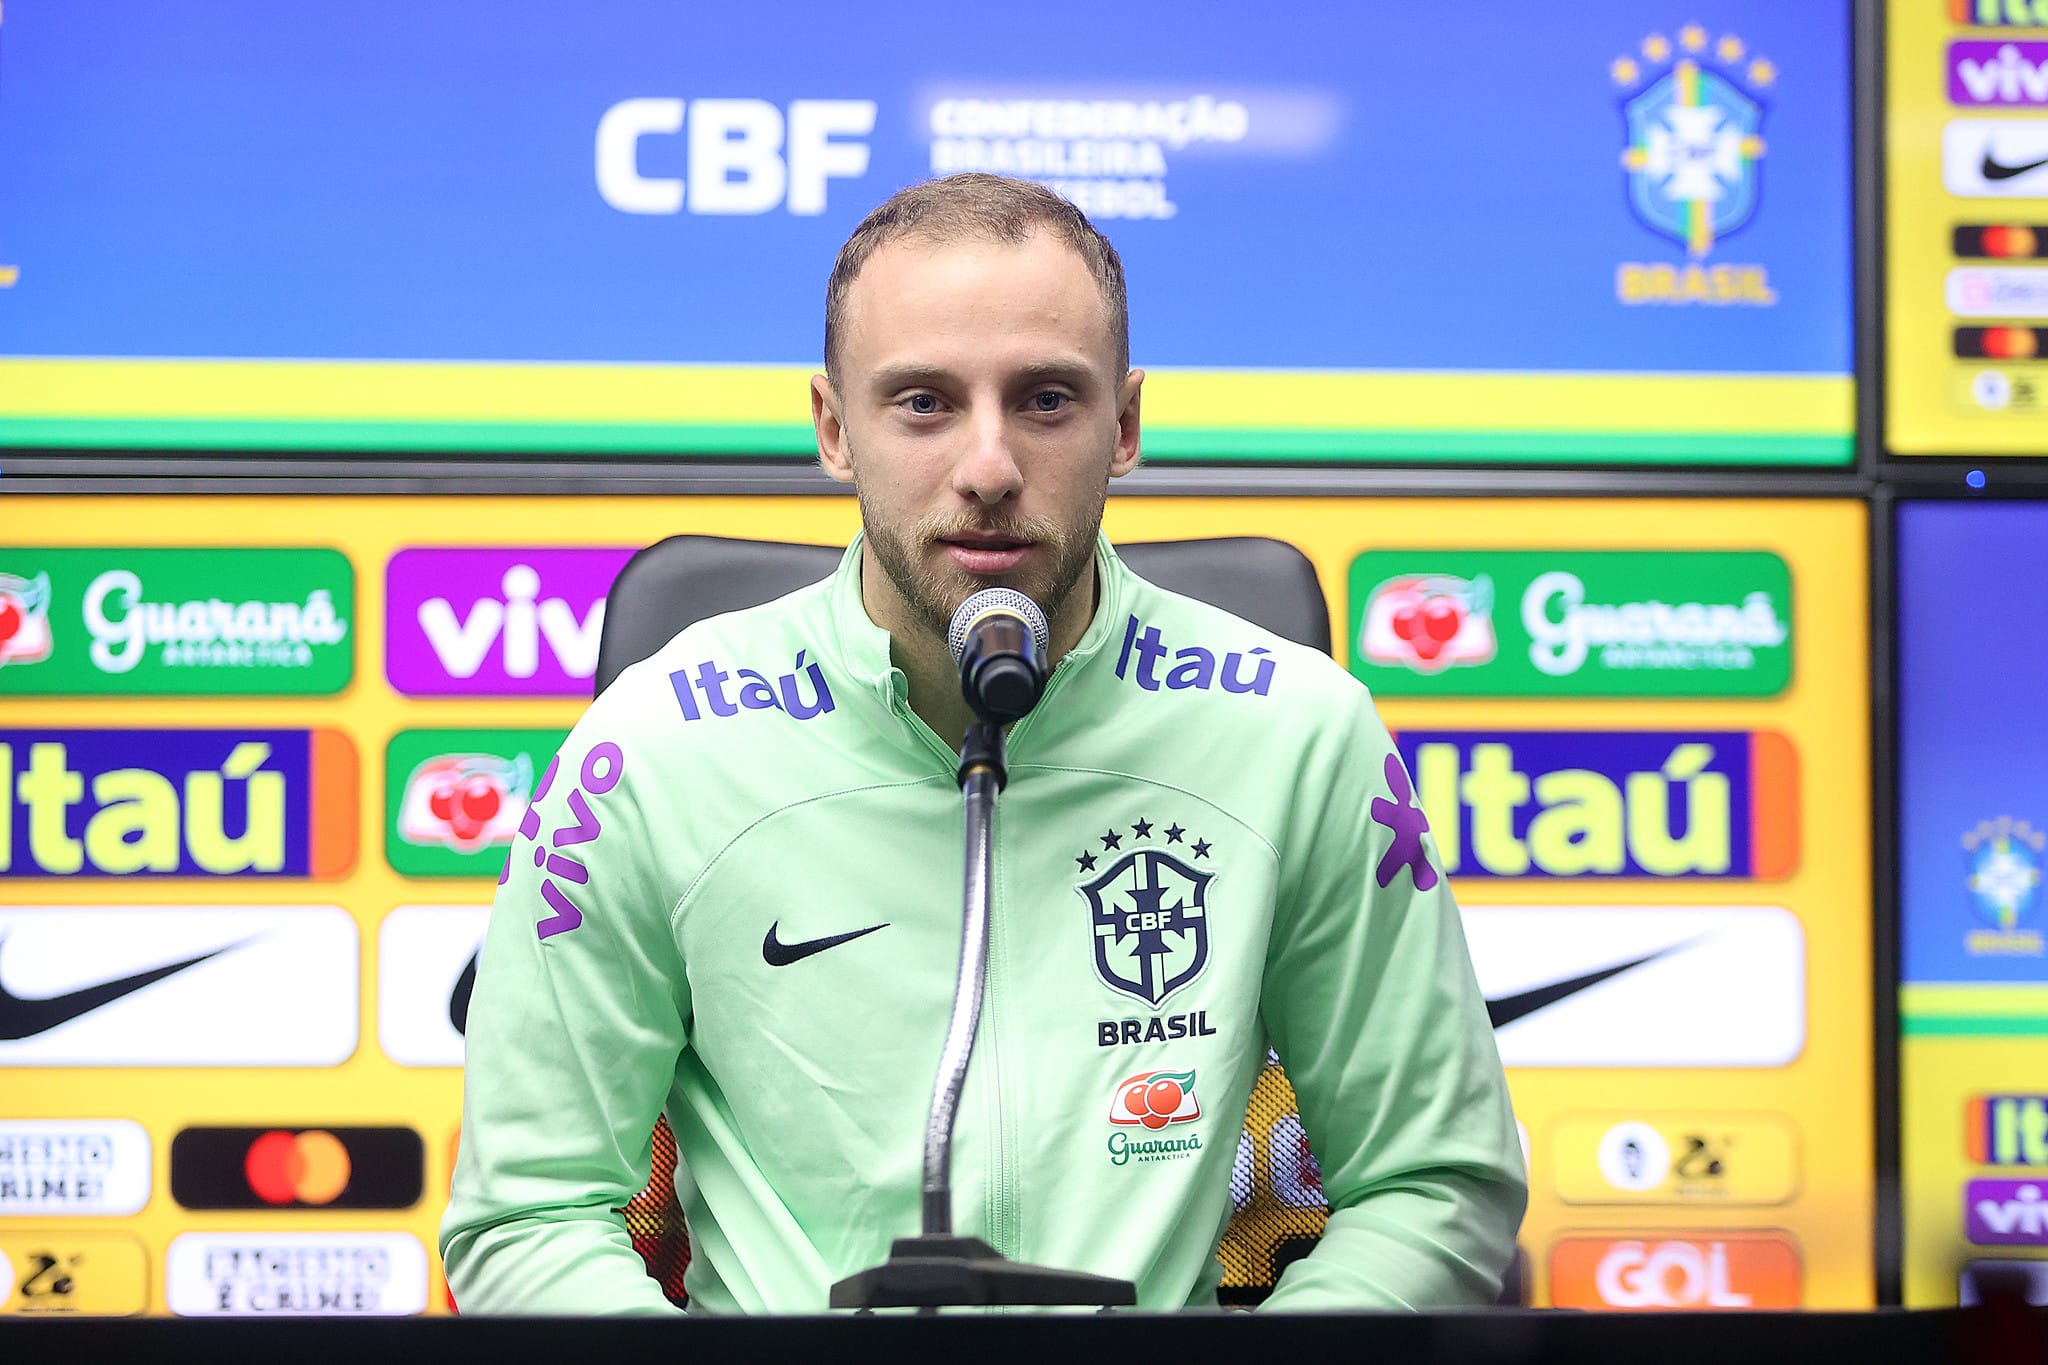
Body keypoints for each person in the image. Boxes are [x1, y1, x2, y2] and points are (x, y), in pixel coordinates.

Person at [441, 173, 1525, 1314]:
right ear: (831, 428)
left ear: (1128, 425)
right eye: (922, 402)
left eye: (1047, 399)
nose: (989, 466)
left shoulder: (1298, 734)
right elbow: (532, 1211)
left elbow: (1429, 1181)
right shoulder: (649, 752)